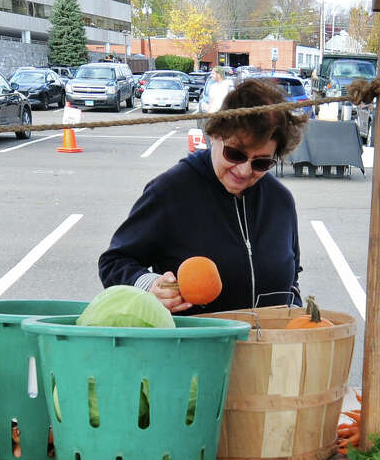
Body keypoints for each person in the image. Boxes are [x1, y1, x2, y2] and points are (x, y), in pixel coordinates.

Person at [99, 79, 308, 315]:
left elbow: (292, 275)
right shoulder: (170, 191)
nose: (244, 170)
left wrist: (294, 311)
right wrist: (150, 286)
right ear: (215, 135)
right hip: (193, 347)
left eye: (261, 162)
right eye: (235, 154)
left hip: (268, 346)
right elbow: (114, 262)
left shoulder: (280, 201)